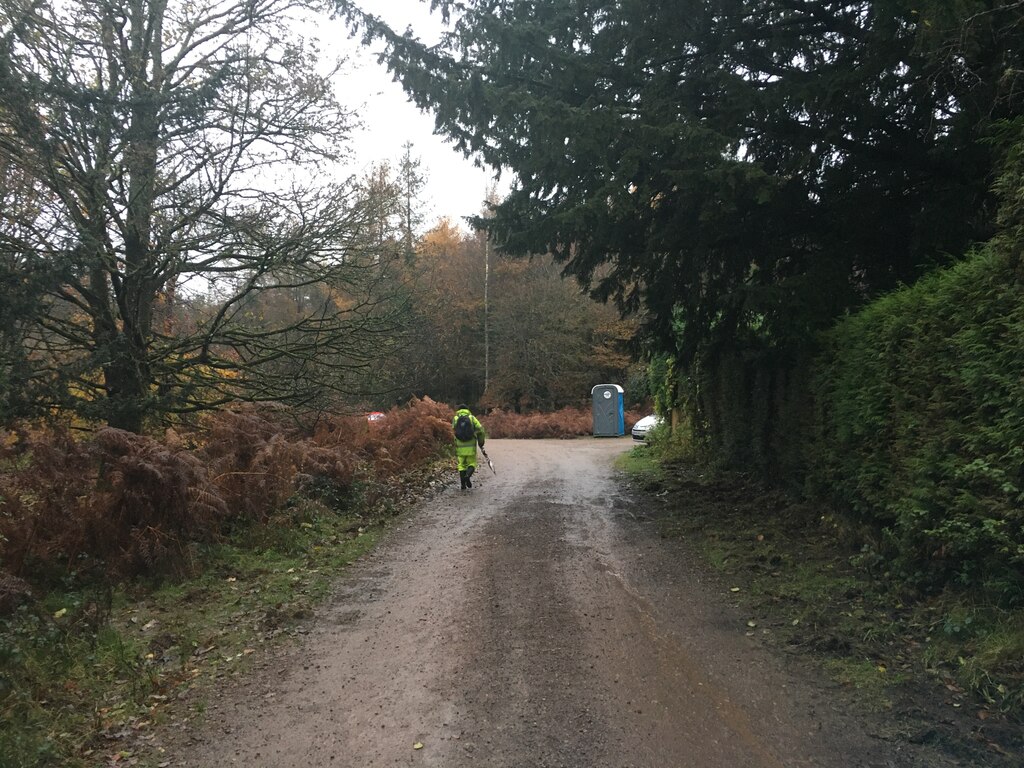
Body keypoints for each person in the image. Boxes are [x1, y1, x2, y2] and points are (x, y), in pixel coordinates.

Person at [452, 404, 486, 489]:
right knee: (472, 463)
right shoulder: (472, 418)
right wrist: (481, 442)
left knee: (461, 465)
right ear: (467, 409)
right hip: (471, 445)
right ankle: (468, 476)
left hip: (460, 447)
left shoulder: (455, 419)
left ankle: (463, 485)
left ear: (458, 410)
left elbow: (453, 432)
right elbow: (480, 429)